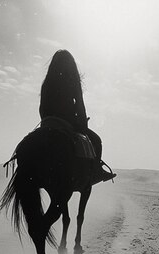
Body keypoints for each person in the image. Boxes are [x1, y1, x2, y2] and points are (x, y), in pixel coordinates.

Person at [39, 49, 115, 184]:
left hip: (47, 122)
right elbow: (80, 105)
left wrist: (45, 121)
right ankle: (96, 171)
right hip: (68, 123)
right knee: (96, 140)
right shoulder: (72, 82)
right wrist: (83, 126)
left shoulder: (47, 82)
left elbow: (42, 107)